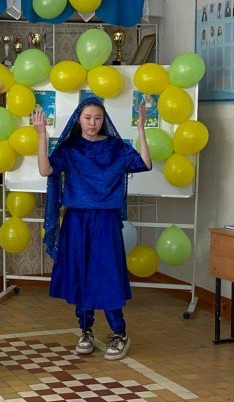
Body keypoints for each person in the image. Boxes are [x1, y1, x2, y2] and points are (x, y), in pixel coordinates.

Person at [33, 98, 152, 361]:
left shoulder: (115, 147)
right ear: (79, 118)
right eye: (87, 118)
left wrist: (141, 129)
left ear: (104, 120)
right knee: (81, 273)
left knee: (108, 273)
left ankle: (119, 333)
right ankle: (85, 330)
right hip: (76, 220)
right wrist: (42, 135)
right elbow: (45, 170)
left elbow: (145, 164)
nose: (92, 123)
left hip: (106, 220)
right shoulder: (70, 148)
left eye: (98, 118)